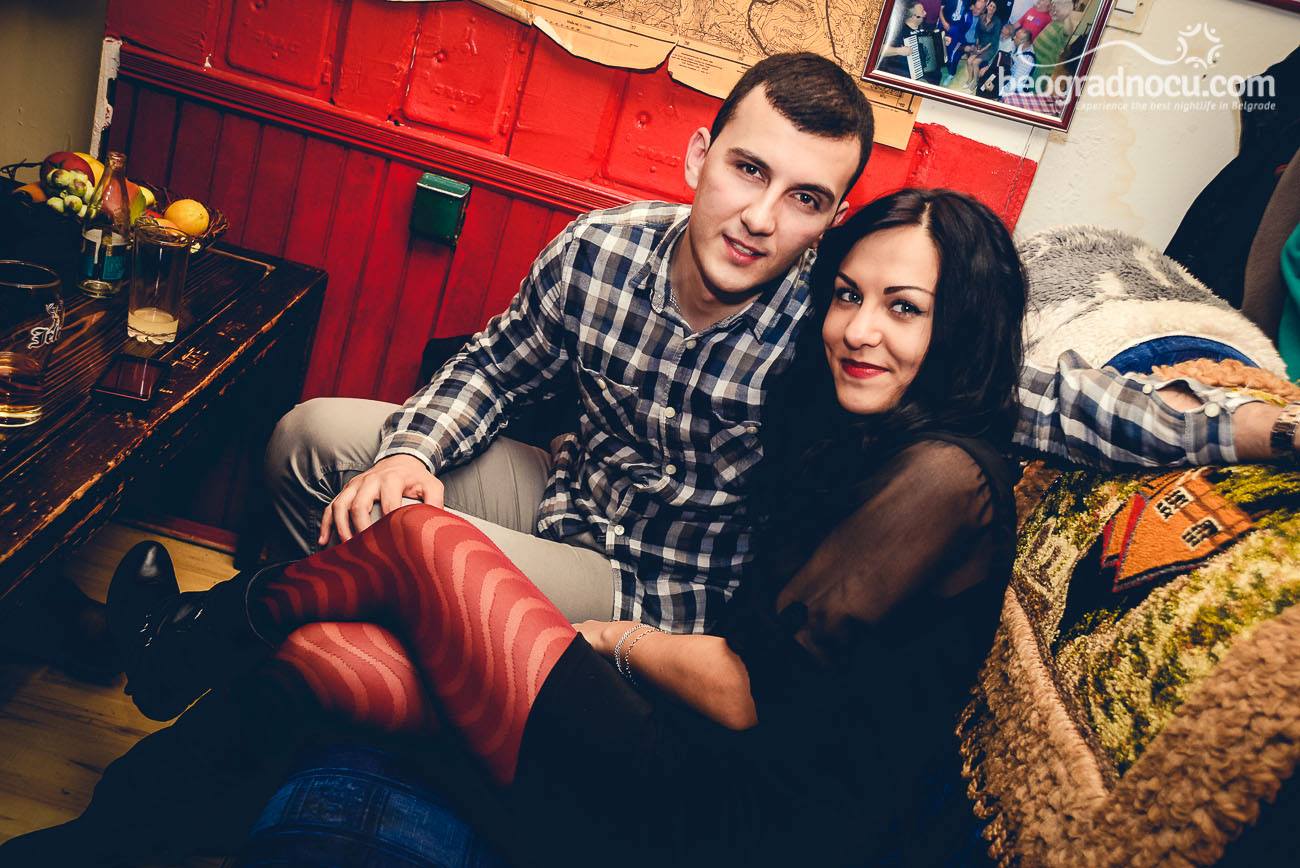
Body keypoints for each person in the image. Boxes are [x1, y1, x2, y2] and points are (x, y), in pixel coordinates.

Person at [3, 187, 1028, 866]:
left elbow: (751, 692)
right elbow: (497, 364)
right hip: (684, 755)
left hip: (711, 823)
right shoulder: (875, 434)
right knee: (335, 653)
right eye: (848, 296)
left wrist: (609, 640)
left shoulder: (944, 475)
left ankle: (191, 635)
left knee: (424, 540)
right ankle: (110, 831)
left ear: (966, 324)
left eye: (904, 308)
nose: (858, 329)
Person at [265, 49, 1300, 650]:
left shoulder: (835, 322)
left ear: (832, 215)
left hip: (653, 587)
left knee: (407, 546)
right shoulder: (598, 249)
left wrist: (1255, 426)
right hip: (569, 489)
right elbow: (498, 365)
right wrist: (413, 451)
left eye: (805, 198)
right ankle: (327, 641)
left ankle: (316, 668)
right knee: (314, 442)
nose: (762, 217)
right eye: (747, 170)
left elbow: (1029, 394)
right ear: (699, 155)